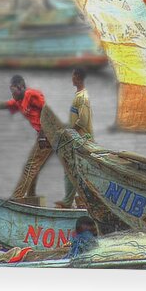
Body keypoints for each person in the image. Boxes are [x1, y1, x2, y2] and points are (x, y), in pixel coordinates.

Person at [0, 75, 50, 201]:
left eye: (13, 91)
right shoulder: (18, 101)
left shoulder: (31, 94)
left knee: (30, 167)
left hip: (50, 133)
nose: (12, 95)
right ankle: (31, 197)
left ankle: (17, 199)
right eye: (11, 92)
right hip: (44, 136)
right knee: (34, 166)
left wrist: (43, 135)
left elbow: (47, 111)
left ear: (21, 86)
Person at [55, 68, 93, 208]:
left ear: (77, 77)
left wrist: (70, 133)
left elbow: (82, 121)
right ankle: (70, 200)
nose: (71, 78)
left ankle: (74, 200)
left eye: (72, 75)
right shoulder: (78, 95)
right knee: (72, 169)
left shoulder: (83, 97)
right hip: (76, 139)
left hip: (80, 140)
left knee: (73, 169)